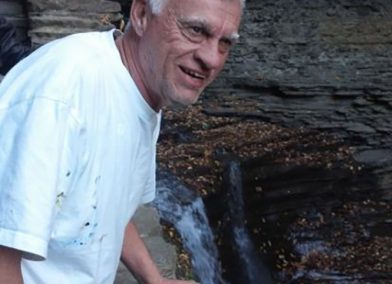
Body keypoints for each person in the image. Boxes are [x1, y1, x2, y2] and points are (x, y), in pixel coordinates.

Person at [0, 0, 244, 283]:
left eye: (225, 42)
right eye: (195, 30)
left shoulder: (145, 88)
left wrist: (155, 279)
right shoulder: (61, 96)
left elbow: (109, 206)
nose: (212, 58)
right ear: (141, 15)